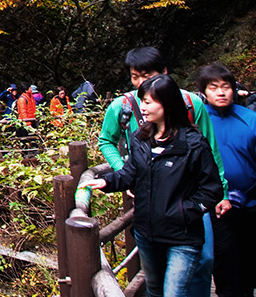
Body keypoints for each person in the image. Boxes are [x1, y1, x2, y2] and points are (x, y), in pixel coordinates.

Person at [97, 47, 228, 296]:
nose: (140, 83)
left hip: (187, 197)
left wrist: (222, 192)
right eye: (135, 76)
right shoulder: (121, 106)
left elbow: (210, 150)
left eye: (146, 75)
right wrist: (124, 173)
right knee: (155, 276)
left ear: (165, 73)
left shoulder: (191, 103)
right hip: (150, 202)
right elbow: (106, 140)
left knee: (204, 259)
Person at [197, 64, 256, 297]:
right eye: (213, 87)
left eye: (226, 87)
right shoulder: (197, 122)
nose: (221, 92)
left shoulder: (253, 120)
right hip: (216, 205)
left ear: (234, 89)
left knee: (248, 262)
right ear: (204, 92)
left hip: (250, 203)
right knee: (224, 263)